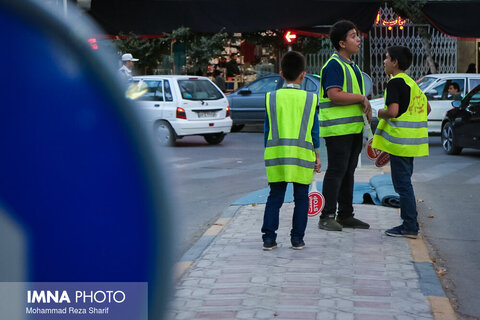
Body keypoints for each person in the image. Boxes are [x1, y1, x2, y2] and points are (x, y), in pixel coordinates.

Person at [261, 51, 321, 251]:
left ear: (281, 74)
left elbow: (266, 131)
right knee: (301, 198)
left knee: (275, 197)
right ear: (303, 75)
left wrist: (267, 155)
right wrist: (317, 156)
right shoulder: (311, 99)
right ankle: (297, 239)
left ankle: (269, 239)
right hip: (303, 156)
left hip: (276, 155)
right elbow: (314, 132)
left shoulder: (271, 98)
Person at [317, 20, 371, 232]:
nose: (358, 39)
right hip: (338, 130)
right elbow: (334, 95)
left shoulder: (352, 66)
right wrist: (360, 98)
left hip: (353, 129)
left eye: (357, 35)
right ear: (341, 43)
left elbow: (356, 97)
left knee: (348, 172)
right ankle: (326, 216)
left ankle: (346, 215)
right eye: (352, 36)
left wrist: (365, 104)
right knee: (336, 171)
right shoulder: (333, 65)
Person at [372, 46, 431, 239]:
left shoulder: (395, 83)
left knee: (402, 185)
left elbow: (393, 112)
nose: (384, 61)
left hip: (400, 144)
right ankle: (410, 224)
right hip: (412, 143)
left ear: (395, 62)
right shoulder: (412, 83)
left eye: (387, 58)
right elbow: (427, 108)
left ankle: (409, 226)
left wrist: (378, 112)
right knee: (405, 183)